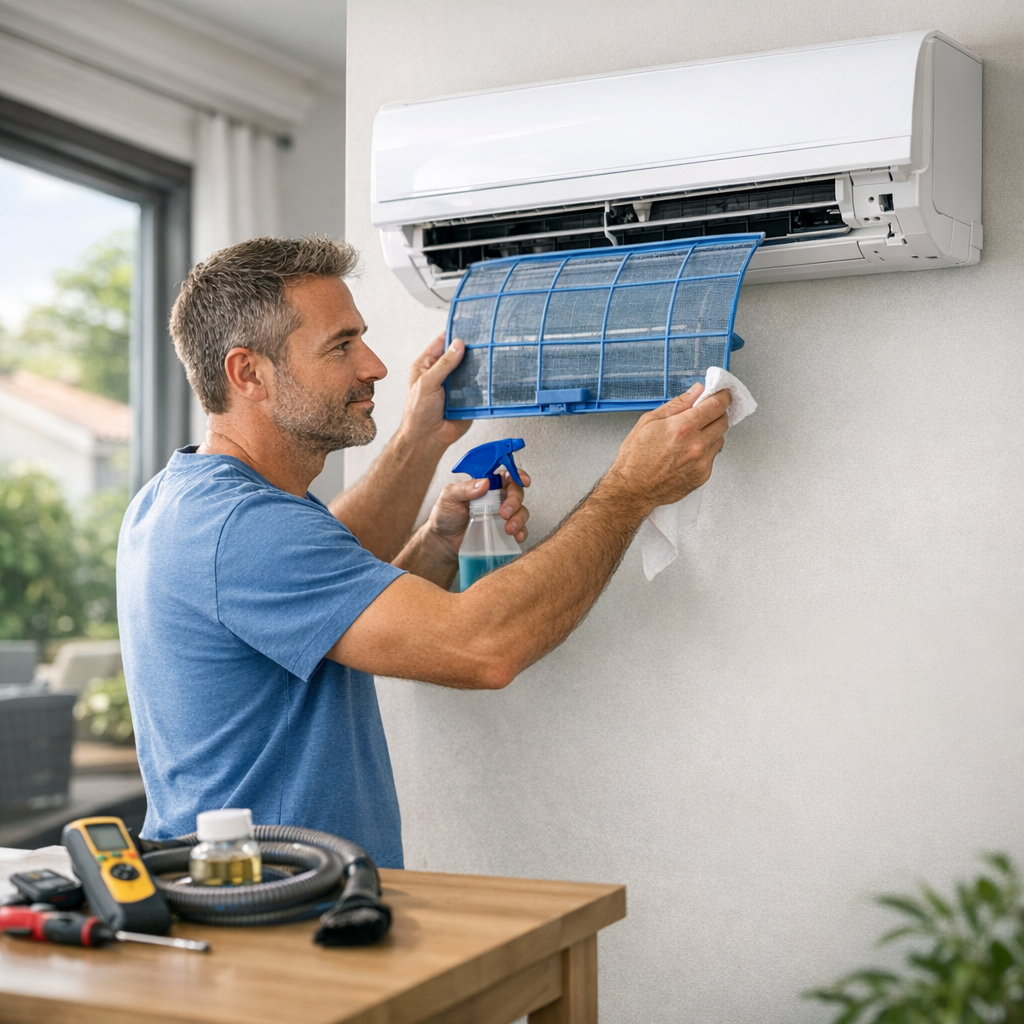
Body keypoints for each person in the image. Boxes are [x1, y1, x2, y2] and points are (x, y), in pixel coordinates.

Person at [117, 236, 732, 868]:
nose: (376, 366)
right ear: (248, 373)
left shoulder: (184, 500)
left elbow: (330, 596)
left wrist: (434, 521)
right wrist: (630, 491)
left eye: (362, 337)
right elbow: (482, 646)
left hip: (263, 900)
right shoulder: (243, 525)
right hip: (274, 920)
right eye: (341, 346)